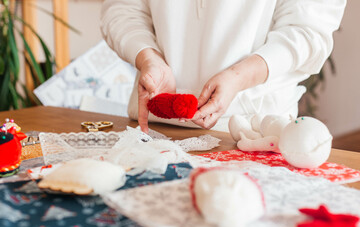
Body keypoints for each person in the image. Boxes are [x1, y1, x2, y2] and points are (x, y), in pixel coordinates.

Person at [101, 0, 346, 133]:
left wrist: (238, 78)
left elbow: (308, 32)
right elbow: (122, 9)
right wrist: (148, 58)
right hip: (151, 128)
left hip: (253, 132)